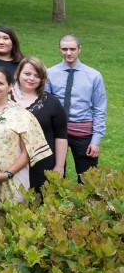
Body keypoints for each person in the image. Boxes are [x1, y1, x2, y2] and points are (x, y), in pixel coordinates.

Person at [0, 67, 50, 206]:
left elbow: (27, 151)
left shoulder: (21, 115)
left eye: (0, 83)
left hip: (11, 179)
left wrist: (7, 174)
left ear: (10, 86)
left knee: (9, 221)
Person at [46, 34, 106, 179]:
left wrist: (96, 140)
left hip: (83, 131)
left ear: (79, 49)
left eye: (72, 49)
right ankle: (55, 201)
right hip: (57, 130)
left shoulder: (94, 76)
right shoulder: (49, 74)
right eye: (64, 49)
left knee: (88, 179)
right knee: (55, 175)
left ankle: (88, 202)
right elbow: (46, 104)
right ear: (59, 49)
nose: (68, 53)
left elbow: (100, 109)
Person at [12, 57, 68, 194]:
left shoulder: (52, 103)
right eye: (27, 74)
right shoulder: (3, 97)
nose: (31, 78)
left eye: (37, 76)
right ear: (18, 73)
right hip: (9, 162)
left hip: (42, 165)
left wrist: (59, 166)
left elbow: (61, 136)